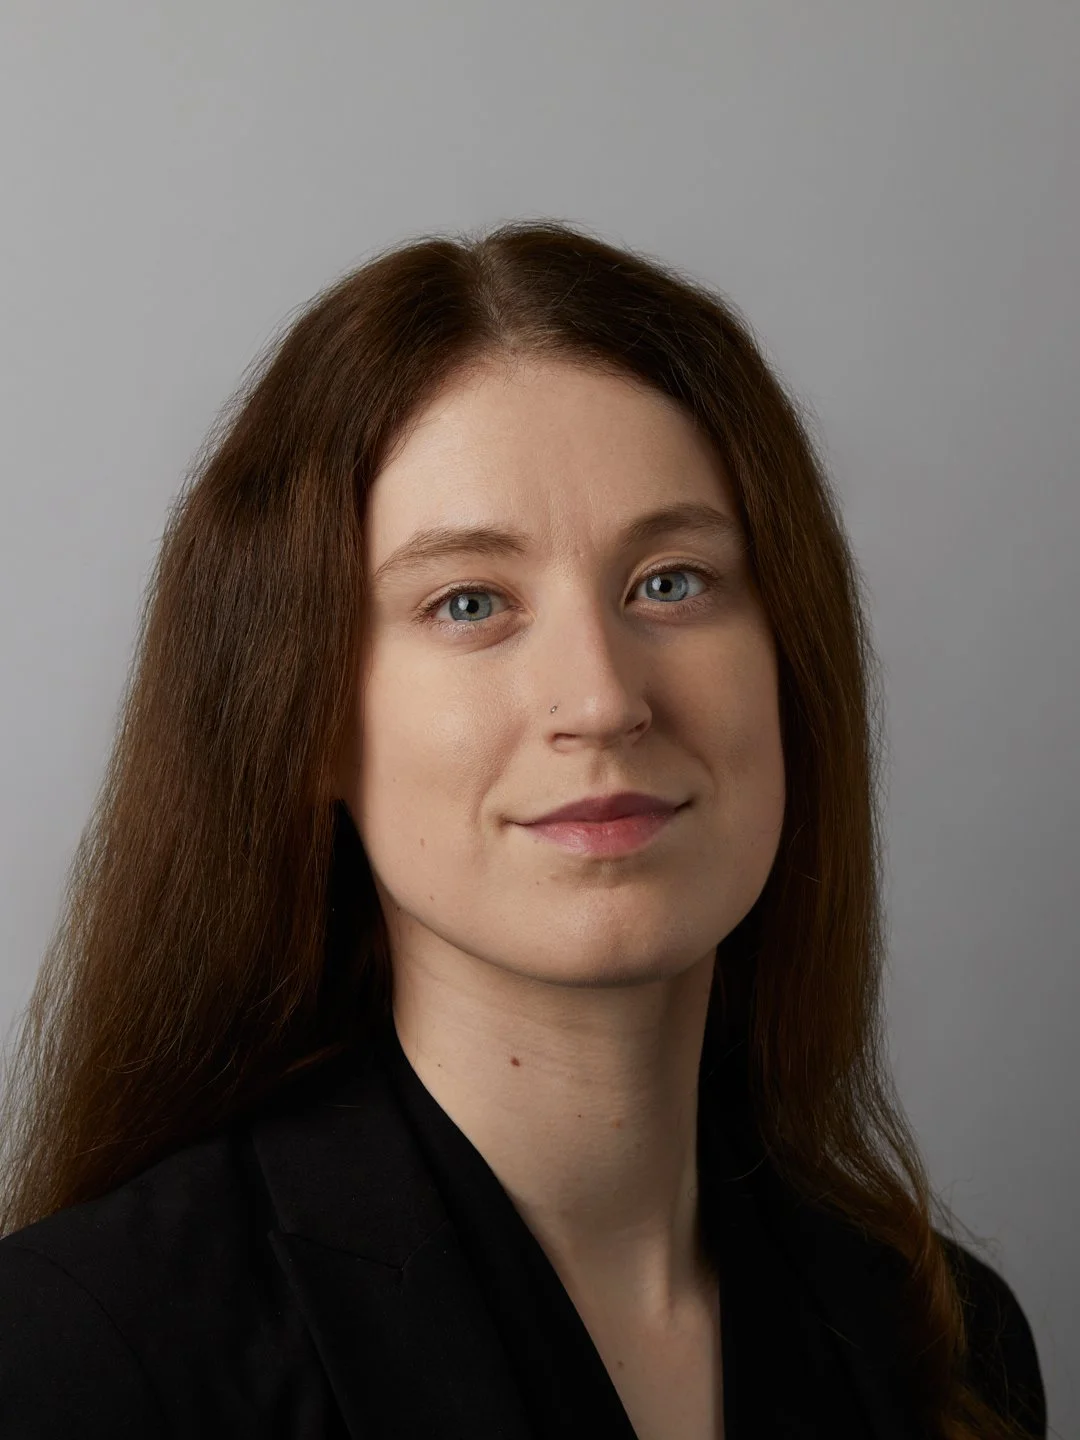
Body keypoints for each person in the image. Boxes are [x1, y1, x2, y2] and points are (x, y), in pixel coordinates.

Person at [0, 220, 1046, 1439]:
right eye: (470, 602)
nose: (602, 698)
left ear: (789, 666)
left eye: (672, 580)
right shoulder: (79, 1359)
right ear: (310, 721)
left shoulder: (946, 1344)